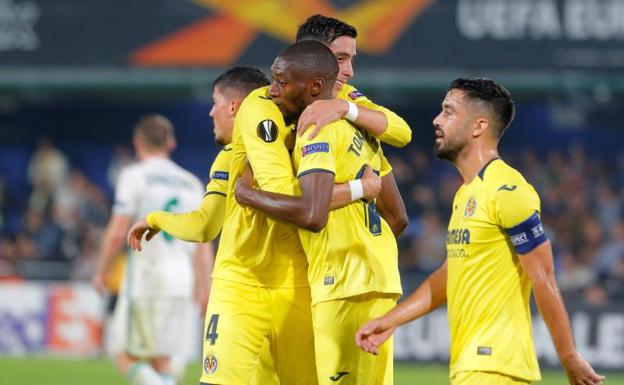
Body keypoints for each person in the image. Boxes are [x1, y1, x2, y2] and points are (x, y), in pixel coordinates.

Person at [355, 78, 606, 385]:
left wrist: (570, 358)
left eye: (449, 111)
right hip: (471, 366)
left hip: (496, 365)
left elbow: (544, 277)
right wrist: (391, 320)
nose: (437, 119)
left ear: (478, 126)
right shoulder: (466, 194)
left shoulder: (508, 189)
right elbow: (451, 273)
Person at [235, 39, 402, 385]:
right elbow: (398, 217)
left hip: (345, 281)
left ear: (313, 86)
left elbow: (313, 214)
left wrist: (248, 196)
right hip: (372, 277)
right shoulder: (358, 129)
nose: (273, 91)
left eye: (282, 82)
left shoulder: (317, 129)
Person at [92, 115, 212, 385]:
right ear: (171, 142)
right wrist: (205, 286)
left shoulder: (134, 176)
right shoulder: (191, 182)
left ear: (137, 143)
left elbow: (117, 230)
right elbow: (203, 242)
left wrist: (102, 271)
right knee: (163, 361)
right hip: (182, 280)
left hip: (147, 279)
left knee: (120, 351)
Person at [295, 14, 410, 236]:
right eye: (340, 59)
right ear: (310, 58)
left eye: (351, 59)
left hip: (342, 263)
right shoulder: (273, 110)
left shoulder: (347, 97)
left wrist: (345, 108)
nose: (349, 71)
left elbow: (403, 133)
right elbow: (298, 200)